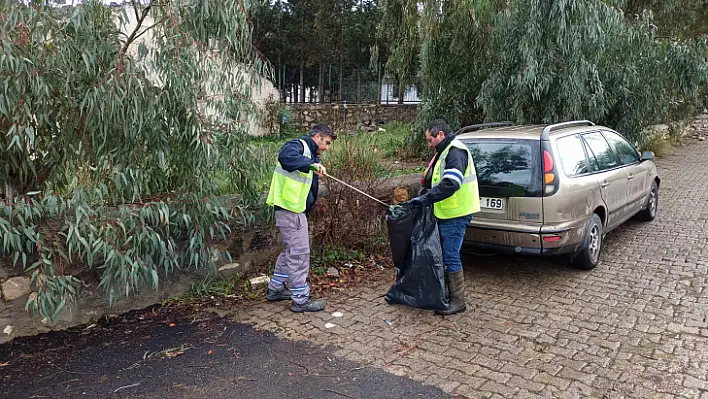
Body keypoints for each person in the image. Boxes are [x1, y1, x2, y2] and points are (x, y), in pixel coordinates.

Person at [406, 119, 480, 315]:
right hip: (446, 212)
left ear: (440, 135)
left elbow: (451, 183)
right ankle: (447, 294)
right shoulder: (444, 152)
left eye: (430, 140)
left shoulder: (455, 151)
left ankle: (458, 301)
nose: (429, 144)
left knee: (450, 256)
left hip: (456, 214)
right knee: (446, 254)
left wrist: (426, 199)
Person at [265, 124, 336, 313]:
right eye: (326, 143)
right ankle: (300, 299)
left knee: (290, 251)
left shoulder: (311, 154)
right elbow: (286, 158)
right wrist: (311, 165)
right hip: (291, 210)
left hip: (292, 210)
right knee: (299, 255)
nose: (327, 148)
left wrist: (313, 164)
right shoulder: (297, 146)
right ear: (318, 137)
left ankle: (276, 288)